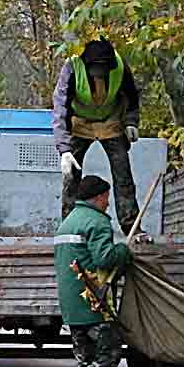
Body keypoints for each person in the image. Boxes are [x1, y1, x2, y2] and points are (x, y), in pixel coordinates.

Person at [54, 175, 133, 367]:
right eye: (107, 198)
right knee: (110, 353)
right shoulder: (97, 222)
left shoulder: (67, 223)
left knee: (86, 359)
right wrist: (124, 252)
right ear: (98, 197)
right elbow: (105, 259)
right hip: (93, 302)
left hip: (71, 303)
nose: (108, 203)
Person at [52, 38, 142, 235]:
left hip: (110, 123)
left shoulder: (119, 66)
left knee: (123, 174)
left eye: (103, 70)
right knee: (71, 177)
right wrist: (65, 149)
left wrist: (131, 122)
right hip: (80, 124)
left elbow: (132, 97)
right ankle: (70, 228)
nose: (99, 74)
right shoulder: (72, 67)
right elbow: (60, 108)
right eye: (96, 70)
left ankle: (131, 228)